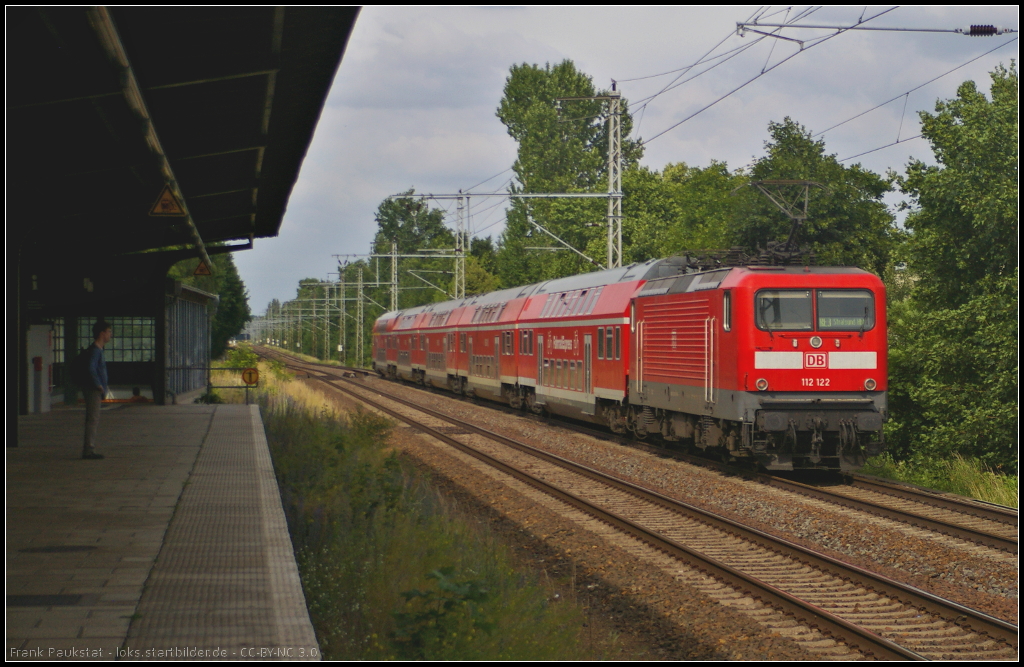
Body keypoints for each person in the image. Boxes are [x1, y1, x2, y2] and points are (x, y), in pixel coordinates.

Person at [81, 320, 112, 460]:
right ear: (102, 333)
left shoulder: (97, 350)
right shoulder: (95, 351)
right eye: (109, 331)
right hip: (93, 389)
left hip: (93, 388)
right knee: (93, 419)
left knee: (93, 418)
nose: (110, 334)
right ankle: (89, 449)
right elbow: (91, 368)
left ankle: (89, 447)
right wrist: (98, 385)